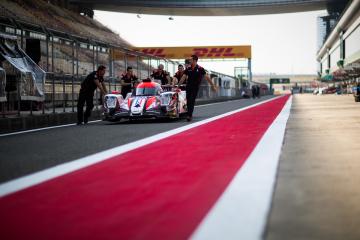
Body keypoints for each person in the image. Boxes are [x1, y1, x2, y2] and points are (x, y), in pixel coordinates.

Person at [178, 55, 217, 121]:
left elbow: (207, 77)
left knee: (192, 100)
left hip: (195, 87)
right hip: (188, 87)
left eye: (191, 60)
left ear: (195, 60)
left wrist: (213, 85)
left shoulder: (200, 68)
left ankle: (189, 115)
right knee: (188, 101)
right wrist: (178, 86)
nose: (189, 61)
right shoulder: (188, 68)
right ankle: (189, 114)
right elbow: (183, 77)